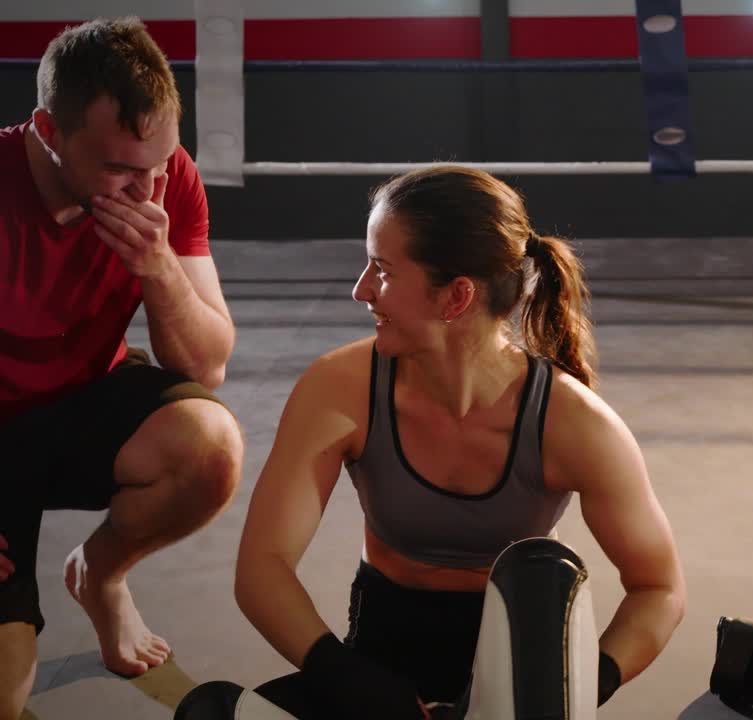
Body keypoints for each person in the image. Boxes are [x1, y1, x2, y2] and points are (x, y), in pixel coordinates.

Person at [224, 166, 685, 717]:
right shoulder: (340, 388)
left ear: (456, 296)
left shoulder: (574, 423)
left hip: (519, 676)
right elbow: (262, 567)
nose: (360, 289)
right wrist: (349, 679)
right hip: (380, 656)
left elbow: (658, 589)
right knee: (210, 711)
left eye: (383, 270)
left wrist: (577, 687)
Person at [0, 16, 241, 720]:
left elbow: (208, 362)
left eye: (156, 164)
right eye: (118, 168)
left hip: (79, 401)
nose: (145, 188)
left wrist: (159, 268)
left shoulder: (168, 178)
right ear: (49, 129)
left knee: (209, 446)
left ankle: (100, 578)